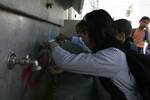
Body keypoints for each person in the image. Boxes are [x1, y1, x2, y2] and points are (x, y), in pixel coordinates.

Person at [49, 9, 139, 100]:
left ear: (96, 32)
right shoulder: (110, 51)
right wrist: (65, 70)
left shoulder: (113, 56)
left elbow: (65, 61)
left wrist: (52, 44)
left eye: (84, 34)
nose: (83, 39)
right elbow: (93, 69)